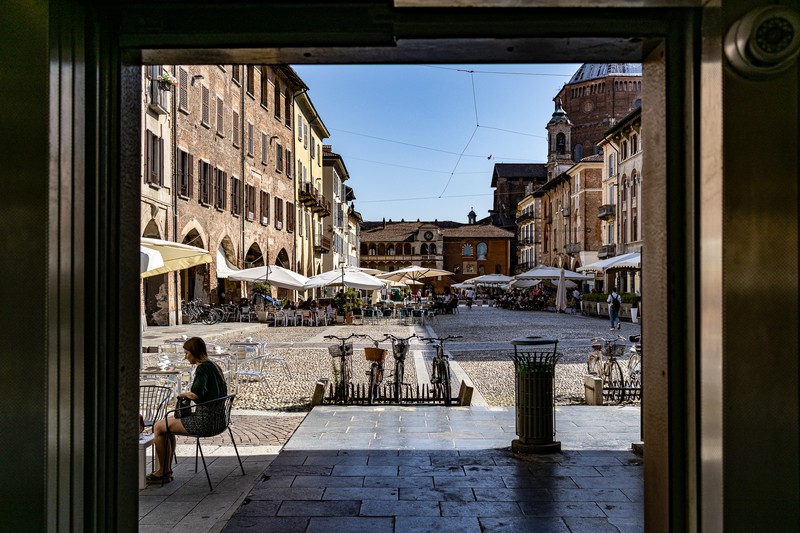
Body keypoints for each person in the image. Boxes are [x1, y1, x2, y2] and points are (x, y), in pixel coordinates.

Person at [147, 336, 228, 484]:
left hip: (204, 422)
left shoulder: (202, 368)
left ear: (194, 352)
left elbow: (196, 393)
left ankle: (163, 471)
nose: (185, 357)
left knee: (158, 426)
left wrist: (184, 394)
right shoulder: (214, 365)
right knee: (166, 426)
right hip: (219, 420)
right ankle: (166, 470)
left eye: (186, 353)